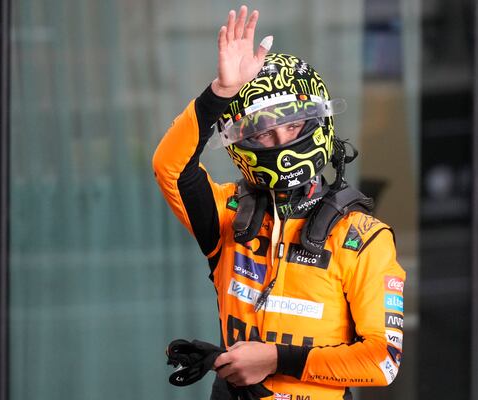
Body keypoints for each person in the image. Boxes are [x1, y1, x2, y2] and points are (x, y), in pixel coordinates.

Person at [153, 5, 406, 400]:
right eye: (264, 134)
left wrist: (275, 359)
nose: (282, 141)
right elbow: (170, 167)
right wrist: (221, 93)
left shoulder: (362, 238)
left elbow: (382, 361)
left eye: (292, 125)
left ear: (318, 122)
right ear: (241, 144)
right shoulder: (227, 216)